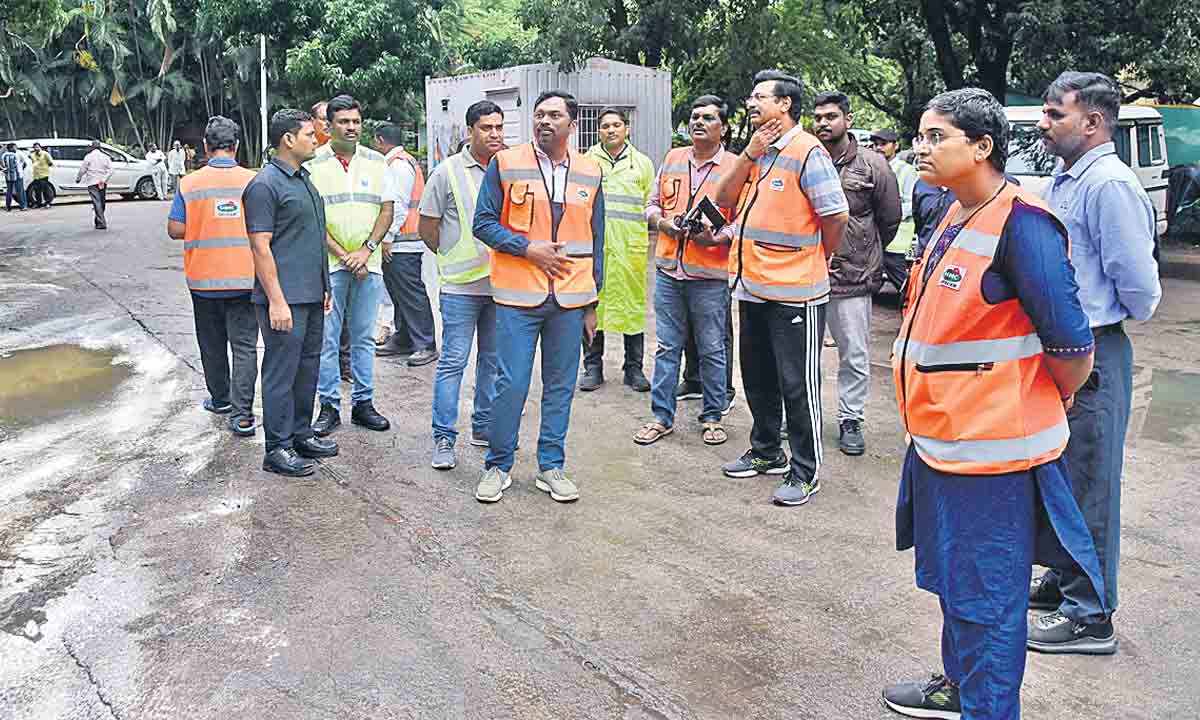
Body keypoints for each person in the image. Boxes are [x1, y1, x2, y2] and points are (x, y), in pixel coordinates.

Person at [881, 88, 1107, 720]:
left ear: (982, 147)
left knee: (989, 601)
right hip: (940, 444)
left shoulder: (1024, 224)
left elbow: (1071, 347)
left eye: (936, 137)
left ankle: (987, 707)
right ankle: (959, 688)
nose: (920, 148)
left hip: (994, 459)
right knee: (956, 587)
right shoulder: (954, 214)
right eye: (920, 136)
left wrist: (1035, 400)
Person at [1025, 71, 1162, 656]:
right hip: (1062, 348)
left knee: (1092, 478)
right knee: (1059, 470)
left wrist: (1096, 320)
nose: (1043, 123)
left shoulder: (1108, 184)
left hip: (1096, 348)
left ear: (1092, 122)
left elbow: (1141, 289)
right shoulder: (1066, 178)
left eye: (1055, 114)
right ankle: (1065, 577)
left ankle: (1092, 614)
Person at [713, 70, 848, 507]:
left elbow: (836, 216)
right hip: (751, 286)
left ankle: (805, 471)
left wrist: (816, 258)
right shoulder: (759, 152)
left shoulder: (807, 151)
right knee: (757, 376)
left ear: (785, 104)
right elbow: (723, 198)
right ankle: (766, 451)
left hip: (796, 292)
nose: (751, 102)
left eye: (759, 96)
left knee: (797, 385)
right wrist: (747, 155)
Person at [471, 90, 604, 504]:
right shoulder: (506, 164)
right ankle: (498, 465)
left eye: (554, 115)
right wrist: (527, 248)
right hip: (518, 296)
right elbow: (483, 223)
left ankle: (551, 466)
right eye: (539, 115)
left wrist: (591, 304)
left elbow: (597, 241)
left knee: (561, 385)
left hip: (570, 299)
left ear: (572, 124)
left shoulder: (590, 171)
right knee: (510, 384)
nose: (544, 121)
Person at [634, 94, 738, 447]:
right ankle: (661, 417)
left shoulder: (736, 167)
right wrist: (662, 223)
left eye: (708, 118)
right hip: (668, 272)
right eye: (694, 117)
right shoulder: (673, 158)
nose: (698, 122)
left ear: (723, 127)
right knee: (666, 348)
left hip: (709, 277)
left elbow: (741, 222)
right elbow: (651, 204)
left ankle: (712, 415)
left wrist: (717, 238)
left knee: (711, 348)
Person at [243, 108, 337, 477]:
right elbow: (260, 247)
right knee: (281, 373)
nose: (316, 140)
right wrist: (277, 300)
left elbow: (310, 240)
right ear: (288, 139)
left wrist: (324, 286)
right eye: (310, 135)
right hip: (284, 299)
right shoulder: (265, 185)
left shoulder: (303, 180)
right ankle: (277, 448)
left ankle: (300, 434)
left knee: (307, 369)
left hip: (311, 295)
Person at [812, 91, 901, 457]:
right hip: (806, 275)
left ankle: (851, 418)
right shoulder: (805, 158)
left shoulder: (873, 164)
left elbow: (889, 219)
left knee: (854, 353)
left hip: (852, 277)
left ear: (847, 120)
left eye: (831, 116)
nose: (823, 123)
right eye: (817, 117)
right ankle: (805, 415)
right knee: (803, 354)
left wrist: (859, 249)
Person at [420, 100, 504, 470]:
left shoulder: (510, 170)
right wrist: (449, 252)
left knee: (492, 361)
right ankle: (443, 437)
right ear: (471, 131)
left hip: (502, 285)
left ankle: (483, 427)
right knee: (453, 361)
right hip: (459, 288)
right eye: (487, 128)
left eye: (500, 127)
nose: (495, 135)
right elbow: (428, 226)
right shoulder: (446, 172)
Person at [167, 116, 260, 437]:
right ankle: (243, 414)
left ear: (205, 147)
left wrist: (204, 221)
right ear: (236, 146)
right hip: (247, 279)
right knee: (245, 346)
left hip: (204, 282)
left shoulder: (189, 183)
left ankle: (220, 400)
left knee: (212, 343)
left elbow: (175, 229)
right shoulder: (254, 181)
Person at [307, 95, 395, 437]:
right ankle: (328, 406)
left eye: (356, 121)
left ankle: (363, 403)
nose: (352, 127)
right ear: (329, 126)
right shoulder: (313, 163)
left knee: (363, 337)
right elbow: (313, 218)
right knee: (327, 339)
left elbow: (386, 211)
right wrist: (346, 255)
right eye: (344, 122)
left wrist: (367, 249)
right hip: (330, 266)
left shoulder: (376, 162)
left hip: (369, 265)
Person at [580, 107, 655, 392]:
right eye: (605, 126)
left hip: (630, 250)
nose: (611, 130)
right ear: (598, 131)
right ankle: (593, 367)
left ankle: (633, 369)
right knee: (591, 305)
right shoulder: (586, 162)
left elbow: (650, 204)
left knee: (632, 308)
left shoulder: (642, 164)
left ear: (627, 129)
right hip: (595, 249)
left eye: (616, 125)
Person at [375, 123, 438, 366]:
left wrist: (387, 237)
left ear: (380, 140)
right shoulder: (400, 162)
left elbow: (398, 205)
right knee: (399, 292)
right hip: (400, 241)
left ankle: (425, 343)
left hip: (402, 242)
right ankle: (404, 338)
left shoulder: (398, 165)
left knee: (411, 293)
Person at [871, 128, 918, 290]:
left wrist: (888, 212)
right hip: (878, 235)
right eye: (876, 144)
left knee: (902, 282)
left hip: (898, 239)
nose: (878, 148)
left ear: (896, 145)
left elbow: (912, 204)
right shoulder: (874, 168)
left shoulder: (906, 171)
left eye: (883, 144)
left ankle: (913, 308)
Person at [76, 141, 113, 229]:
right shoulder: (105, 157)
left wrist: (78, 178)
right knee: (102, 202)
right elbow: (111, 170)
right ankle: (99, 221)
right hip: (102, 182)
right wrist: (104, 179)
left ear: (92, 147)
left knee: (97, 202)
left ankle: (101, 222)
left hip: (92, 182)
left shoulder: (88, 157)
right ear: (100, 147)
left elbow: (83, 169)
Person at [2, 143, 29, 212]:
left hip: (8, 176)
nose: (16, 148)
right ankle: (23, 206)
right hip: (18, 175)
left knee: (9, 191)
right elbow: (26, 162)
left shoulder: (4, 155)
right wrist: (21, 169)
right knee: (20, 191)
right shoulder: (18, 153)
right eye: (15, 147)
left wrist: (5, 170)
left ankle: (8, 207)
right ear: (11, 148)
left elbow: (2, 165)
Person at [27, 143, 54, 209]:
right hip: (36, 175)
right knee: (37, 190)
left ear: (40, 147)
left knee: (45, 189)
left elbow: (50, 162)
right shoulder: (32, 155)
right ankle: (38, 203)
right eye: (35, 147)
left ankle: (48, 203)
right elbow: (29, 157)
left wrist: (44, 166)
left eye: (37, 147)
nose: (36, 148)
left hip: (44, 174)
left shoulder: (45, 154)